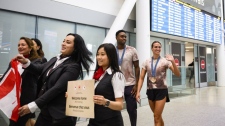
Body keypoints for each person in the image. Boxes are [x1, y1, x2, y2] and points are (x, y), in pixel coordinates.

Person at [16, 33, 93, 126]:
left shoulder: (73, 66)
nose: (63, 43)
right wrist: (26, 62)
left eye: (68, 42)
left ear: (75, 48)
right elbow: (40, 69)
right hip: (45, 111)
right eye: (63, 41)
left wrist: (34, 105)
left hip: (60, 116)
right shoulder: (55, 59)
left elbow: (57, 88)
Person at [136, 41, 180, 126]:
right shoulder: (146, 62)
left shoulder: (165, 61)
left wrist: (173, 61)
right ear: (152, 48)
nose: (158, 48)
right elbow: (141, 78)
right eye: (155, 47)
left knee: (156, 116)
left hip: (161, 90)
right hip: (150, 91)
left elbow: (177, 74)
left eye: (159, 47)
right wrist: (138, 92)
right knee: (158, 116)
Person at [0, 37, 42, 126]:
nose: (20, 47)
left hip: (26, 100)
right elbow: (5, 77)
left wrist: (25, 62)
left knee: (18, 123)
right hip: (13, 100)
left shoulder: (37, 61)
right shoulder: (14, 61)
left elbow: (37, 71)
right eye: (19, 45)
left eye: (23, 45)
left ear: (30, 48)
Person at [88, 43, 125, 126]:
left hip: (110, 121)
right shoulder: (97, 74)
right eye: (97, 54)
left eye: (102, 54)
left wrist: (105, 102)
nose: (99, 57)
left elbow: (120, 105)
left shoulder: (116, 75)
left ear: (111, 56)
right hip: (95, 119)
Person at [115, 30, 140, 126]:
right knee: (116, 109)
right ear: (116, 37)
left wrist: (136, 84)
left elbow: (137, 67)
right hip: (116, 84)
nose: (124, 38)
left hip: (130, 84)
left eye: (125, 36)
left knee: (131, 109)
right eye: (121, 36)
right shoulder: (112, 51)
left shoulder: (132, 50)